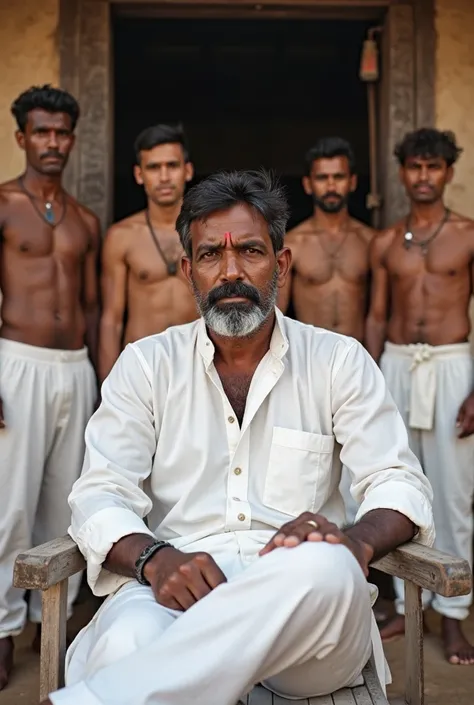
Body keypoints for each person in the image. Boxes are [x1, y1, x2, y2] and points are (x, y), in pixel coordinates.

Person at [41, 170, 434, 705]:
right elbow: (99, 494)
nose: (230, 272)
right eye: (209, 256)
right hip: (175, 588)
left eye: (249, 250)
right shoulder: (146, 365)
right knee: (127, 637)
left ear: (282, 263)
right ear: (187, 271)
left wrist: (356, 543)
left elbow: (397, 481)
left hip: (303, 615)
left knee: (327, 564)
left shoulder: (338, 361)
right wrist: (155, 560)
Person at [0, 85, 99, 689]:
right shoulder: (4, 205)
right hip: (16, 362)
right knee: (8, 508)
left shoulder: (86, 220)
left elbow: (90, 305)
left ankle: (49, 633)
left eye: (62, 132)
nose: (53, 142)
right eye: (42, 132)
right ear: (21, 138)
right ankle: (3, 630)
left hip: (75, 369)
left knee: (66, 508)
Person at [366, 128, 474, 665]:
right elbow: (377, 316)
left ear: (449, 172)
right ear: (402, 172)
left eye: (434, 167)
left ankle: (453, 615)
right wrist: (364, 384)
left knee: (453, 493)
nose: (424, 177)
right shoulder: (386, 241)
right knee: (390, 484)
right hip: (396, 364)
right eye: (414, 167)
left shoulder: (469, 234)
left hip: (453, 366)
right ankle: (402, 605)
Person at [98, 123, 198, 382]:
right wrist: (109, 387)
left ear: (187, 170)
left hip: (199, 366)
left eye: (172, 166)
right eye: (154, 167)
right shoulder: (122, 236)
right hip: (140, 367)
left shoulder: (209, 233)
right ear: (139, 174)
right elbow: (112, 319)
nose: (164, 177)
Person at [278, 137, 374, 342]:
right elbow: (277, 314)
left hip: (357, 355)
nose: (331, 185)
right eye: (322, 178)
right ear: (308, 184)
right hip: (310, 355)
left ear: (352, 182)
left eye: (339, 177)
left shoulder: (369, 241)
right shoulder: (293, 244)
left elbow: (380, 313)